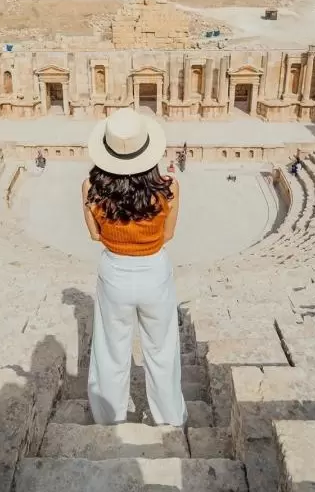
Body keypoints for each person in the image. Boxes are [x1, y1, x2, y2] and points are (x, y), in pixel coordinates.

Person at [82, 108, 186, 427]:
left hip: (114, 272)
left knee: (110, 350)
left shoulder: (91, 189)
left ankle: (108, 419)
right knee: (162, 350)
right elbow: (168, 235)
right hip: (154, 272)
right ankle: (170, 419)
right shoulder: (169, 188)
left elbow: (93, 234)